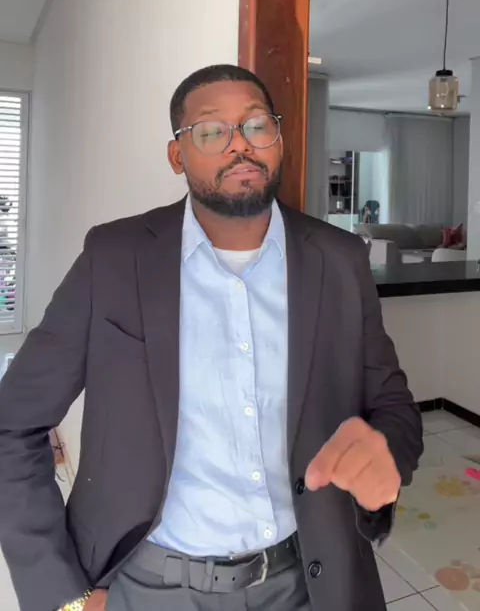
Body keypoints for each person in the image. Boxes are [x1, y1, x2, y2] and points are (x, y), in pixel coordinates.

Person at [0, 64, 423, 611]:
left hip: (305, 581)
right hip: (147, 585)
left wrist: (387, 455)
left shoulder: (339, 260)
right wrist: (63, 596)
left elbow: (393, 405)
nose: (239, 145)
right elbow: (12, 423)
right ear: (177, 155)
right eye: (210, 131)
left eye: (255, 125)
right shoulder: (114, 259)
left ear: (279, 139)